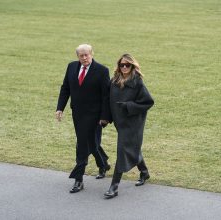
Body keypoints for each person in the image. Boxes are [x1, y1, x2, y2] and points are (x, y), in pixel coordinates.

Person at [56, 44, 111, 193]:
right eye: (81, 55)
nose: (84, 58)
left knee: (82, 145)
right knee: (92, 144)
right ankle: (103, 164)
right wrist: (60, 108)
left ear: (92, 54)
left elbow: (106, 96)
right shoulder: (71, 67)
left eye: (87, 55)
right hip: (78, 114)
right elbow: (65, 88)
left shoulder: (102, 70)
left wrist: (105, 117)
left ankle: (78, 179)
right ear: (77, 57)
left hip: (95, 116)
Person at [104, 53, 154, 199]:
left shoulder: (137, 82)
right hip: (120, 122)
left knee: (122, 150)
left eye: (128, 65)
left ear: (133, 66)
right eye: (122, 65)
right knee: (131, 148)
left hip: (133, 123)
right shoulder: (114, 81)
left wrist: (128, 106)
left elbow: (148, 102)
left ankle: (114, 186)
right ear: (118, 66)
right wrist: (105, 118)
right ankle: (144, 172)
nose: (125, 67)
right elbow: (108, 100)